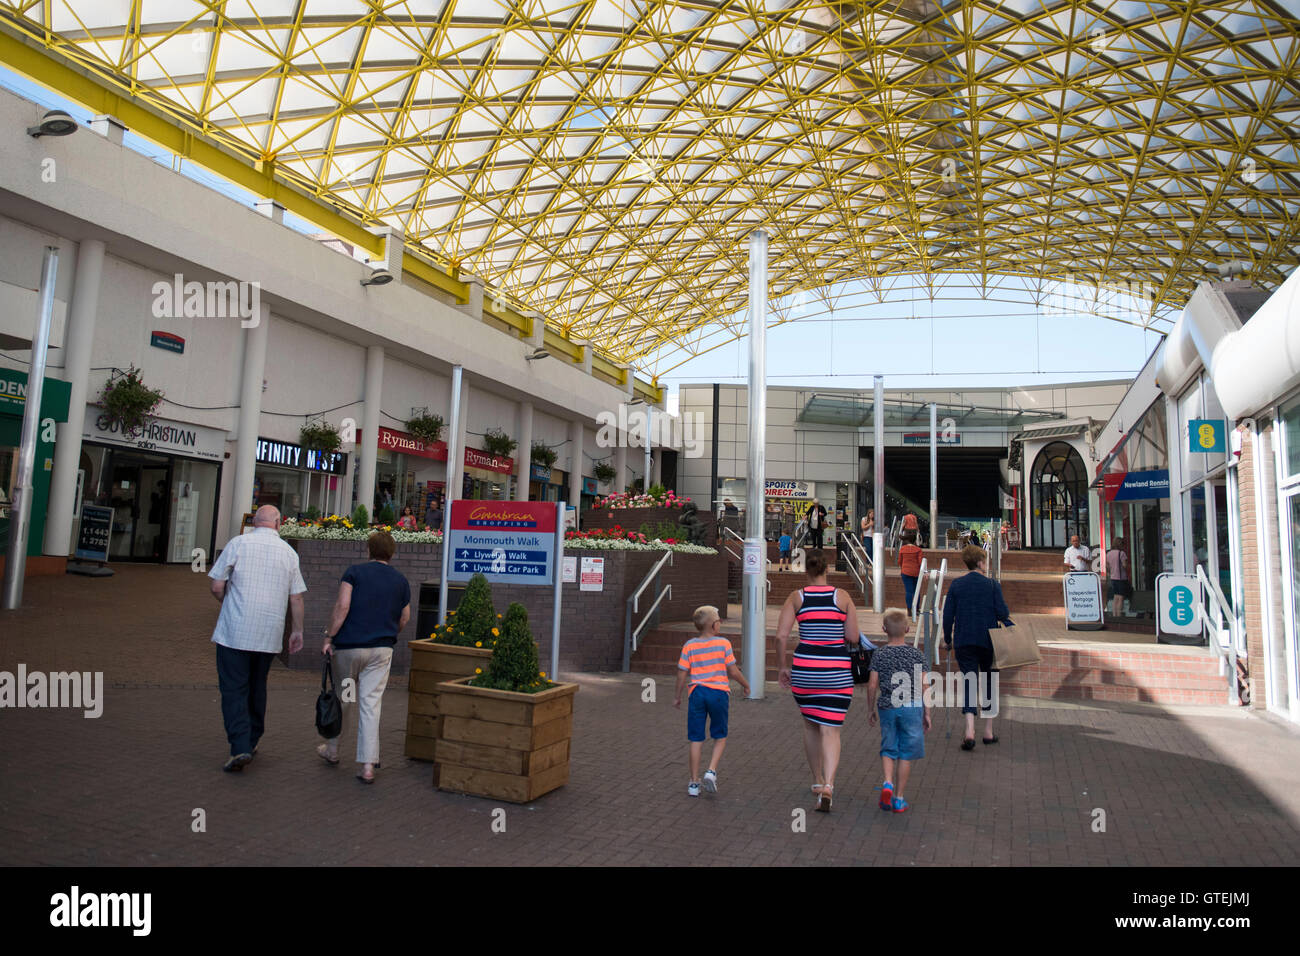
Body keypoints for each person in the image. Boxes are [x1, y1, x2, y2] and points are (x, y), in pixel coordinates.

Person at [207, 505, 306, 772]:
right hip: (268, 634)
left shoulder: (238, 543)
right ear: (278, 523)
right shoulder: (288, 552)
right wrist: (297, 631)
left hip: (234, 632)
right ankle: (252, 738)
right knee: (257, 685)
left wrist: (227, 602)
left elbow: (217, 584)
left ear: (254, 521)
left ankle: (240, 745)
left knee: (233, 688)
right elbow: (296, 597)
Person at [319, 529, 411, 783]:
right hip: (381, 650)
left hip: (350, 648)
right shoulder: (401, 581)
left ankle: (333, 750)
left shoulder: (354, 573)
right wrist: (389, 634)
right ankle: (368, 765)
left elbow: (342, 606)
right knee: (371, 703)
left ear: (368, 550)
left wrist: (329, 637)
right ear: (392, 554)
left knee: (344, 698)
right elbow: (405, 617)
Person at [776, 549, 862, 812]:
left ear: (806, 571)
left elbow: (781, 636)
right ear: (828, 569)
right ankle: (830, 785)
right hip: (836, 670)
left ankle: (817, 780)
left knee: (811, 726)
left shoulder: (796, 597)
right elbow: (854, 637)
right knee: (831, 730)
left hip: (805, 670)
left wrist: (782, 667)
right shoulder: (842, 597)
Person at [943, 544, 1014, 750]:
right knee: (990, 682)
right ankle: (988, 731)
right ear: (981, 562)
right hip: (989, 641)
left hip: (964, 640)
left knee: (969, 682)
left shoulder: (956, 585)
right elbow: (1002, 613)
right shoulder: (992, 585)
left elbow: (948, 616)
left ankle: (969, 731)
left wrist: (948, 638)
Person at [674, 605, 750, 796]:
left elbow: (682, 674)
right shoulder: (723, 644)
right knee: (720, 736)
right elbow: (733, 671)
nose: (721, 622)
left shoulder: (689, 645)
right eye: (718, 620)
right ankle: (711, 771)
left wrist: (677, 696)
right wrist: (746, 685)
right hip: (718, 694)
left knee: (696, 738)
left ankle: (693, 783)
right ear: (713, 625)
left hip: (697, 693)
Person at [867, 608, 930, 813]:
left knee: (889, 747)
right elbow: (925, 685)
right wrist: (927, 712)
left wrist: (870, 709)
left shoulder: (879, 654)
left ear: (884, 629)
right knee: (906, 753)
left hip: (887, 706)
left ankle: (887, 782)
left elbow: (872, 684)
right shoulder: (916, 654)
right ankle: (899, 798)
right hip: (912, 707)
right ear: (908, 629)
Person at [897, 530, 924, 611]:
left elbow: (899, 562)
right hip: (916, 572)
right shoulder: (918, 550)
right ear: (914, 540)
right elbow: (920, 562)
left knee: (909, 591)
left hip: (905, 572)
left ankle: (909, 609)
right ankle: (916, 608)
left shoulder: (902, 549)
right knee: (916, 591)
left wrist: (903, 568)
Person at [1106, 537, 1131, 615]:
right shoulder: (1122, 553)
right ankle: (1119, 615)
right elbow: (1124, 565)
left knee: (1115, 597)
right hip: (1121, 578)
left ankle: (1114, 614)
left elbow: (1107, 566)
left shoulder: (1109, 553)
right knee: (1121, 598)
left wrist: (1111, 571)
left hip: (1113, 577)